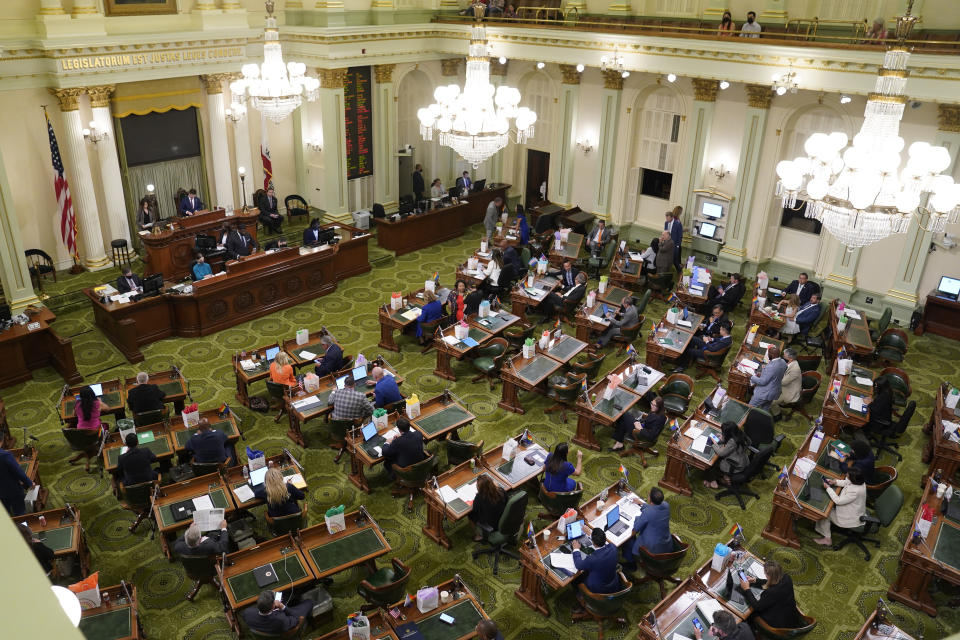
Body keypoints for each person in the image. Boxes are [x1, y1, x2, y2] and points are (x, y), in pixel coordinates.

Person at [733, 559, 801, 629]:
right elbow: (773, 581)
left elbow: (757, 607)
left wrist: (747, 589)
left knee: (750, 614)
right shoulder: (786, 577)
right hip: (791, 614)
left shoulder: (771, 593)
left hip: (780, 623)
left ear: (768, 575)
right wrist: (755, 580)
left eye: (765, 574)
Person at [814, 467, 868, 546]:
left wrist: (828, 488)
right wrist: (834, 482)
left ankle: (827, 539)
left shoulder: (855, 491)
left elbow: (838, 501)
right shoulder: (860, 482)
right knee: (828, 508)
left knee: (824, 513)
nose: (846, 475)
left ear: (853, 479)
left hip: (849, 518)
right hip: (854, 511)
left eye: (848, 475)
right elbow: (847, 482)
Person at [625, 487, 672, 566]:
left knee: (629, 540)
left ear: (650, 499)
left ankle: (631, 563)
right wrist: (642, 503)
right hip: (665, 544)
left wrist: (637, 519)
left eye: (648, 495)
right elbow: (654, 509)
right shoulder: (666, 506)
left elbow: (635, 529)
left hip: (652, 550)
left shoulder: (648, 513)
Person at [242, 590, 315, 636]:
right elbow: (296, 618)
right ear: (273, 605)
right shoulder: (282, 620)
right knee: (309, 602)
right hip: (282, 626)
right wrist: (282, 606)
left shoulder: (247, 613)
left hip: (267, 628)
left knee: (287, 596)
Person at [572, 527, 620, 594]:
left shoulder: (593, 559)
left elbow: (579, 565)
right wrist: (591, 535)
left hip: (598, 588)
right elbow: (605, 544)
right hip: (612, 581)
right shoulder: (613, 547)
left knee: (575, 581)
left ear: (593, 542)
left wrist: (576, 549)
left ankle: (581, 596)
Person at [706, 421, 751, 489]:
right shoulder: (740, 433)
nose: (723, 433)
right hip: (743, 460)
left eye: (724, 432)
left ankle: (714, 480)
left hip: (735, 465)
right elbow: (749, 442)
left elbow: (721, 453)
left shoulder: (732, 442)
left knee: (712, 463)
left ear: (728, 433)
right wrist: (723, 438)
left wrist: (714, 444)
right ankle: (721, 478)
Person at [469, 474, 506, 540]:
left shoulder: (479, 497)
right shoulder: (501, 490)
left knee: (470, 515)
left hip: (491, 525)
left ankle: (479, 535)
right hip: (504, 519)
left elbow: (475, 510)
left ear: (479, 487)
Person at [749, 346, 788, 410]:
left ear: (772, 355)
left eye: (768, 353)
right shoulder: (784, 363)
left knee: (749, 408)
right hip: (774, 392)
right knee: (764, 410)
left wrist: (751, 376)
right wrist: (763, 374)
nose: (767, 354)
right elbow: (776, 374)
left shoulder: (771, 367)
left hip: (764, 393)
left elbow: (762, 382)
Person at [0, 447, 33, 516]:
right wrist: (29, 483)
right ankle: (23, 525)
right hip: (13, 490)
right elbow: (18, 472)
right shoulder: (5, 455)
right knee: (20, 513)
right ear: (2, 439)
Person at [771, 348, 801, 420]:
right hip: (785, 386)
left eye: (784, 357)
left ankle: (777, 414)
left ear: (790, 359)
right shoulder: (789, 362)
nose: (782, 358)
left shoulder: (795, 369)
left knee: (770, 400)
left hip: (789, 391)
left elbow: (783, 382)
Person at [664, 206, 683, 272]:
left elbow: (680, 235)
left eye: (668, 218)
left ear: (672, 217)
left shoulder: (678, 224)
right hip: (667, 243)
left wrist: (678, 245)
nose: (666, 219)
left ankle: (680, 272)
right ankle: (666, 272)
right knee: (667, 258)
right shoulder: (666, 223)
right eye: (666, 218)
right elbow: (665, 232)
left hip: (675, 245)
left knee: (675, 260)